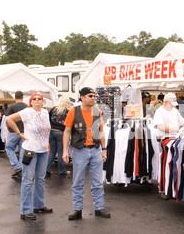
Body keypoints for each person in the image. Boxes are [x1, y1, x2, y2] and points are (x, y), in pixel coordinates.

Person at [62, 87, 110, 220]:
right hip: (79, 150)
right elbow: (66, 131)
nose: (93, 98)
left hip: (95, 149)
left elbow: (100, 131)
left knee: (98, 182)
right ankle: (77, 209)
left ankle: (99, 208)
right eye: (90, 96)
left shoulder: (97, 111)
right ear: (82, 98)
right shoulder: (74, 111)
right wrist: (65, 150)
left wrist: (104, 149)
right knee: (78, 181)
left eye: (94, 96)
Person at [6, 92, 52, 221]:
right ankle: (25, 211)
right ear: (31, 101)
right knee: (27, 180)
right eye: (34, 99)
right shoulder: (27, 112)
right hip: (30, 150)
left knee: (40, 179)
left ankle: (39, 205)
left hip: (43, 150)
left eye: (40, 99)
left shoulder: (45, 112)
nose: (37, 101)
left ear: (43, 101)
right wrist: (19, 134)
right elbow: (9, 119)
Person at [153, 92, 184, 199]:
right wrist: (177, 130)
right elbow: (160, 127)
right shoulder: (160, 112)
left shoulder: (174, 111)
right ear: (165, 102)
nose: (173, 105)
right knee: (164, 164)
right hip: (164, 139)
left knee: (174, 165)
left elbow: (183, 123)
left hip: (176, 139)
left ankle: (172, 187)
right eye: (171, 103)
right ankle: (162, 188)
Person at [46, 95, 72, 176]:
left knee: (52, 151)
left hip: (52, 131)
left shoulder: (53, 109)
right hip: (62, 133)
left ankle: (46, 169)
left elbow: (48, 119)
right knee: (61, 151)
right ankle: (62, 170)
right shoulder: (68, 111)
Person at [5, 91, 27, 179]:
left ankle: (17, 166)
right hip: (24, 131)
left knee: (9, 148)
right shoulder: (26, 107)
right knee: (22, 150)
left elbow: (7, 120)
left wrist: (8, 128)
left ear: (15, 97)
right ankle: (21, 167)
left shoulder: (11, 107)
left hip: (13, 131)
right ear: (23, 96)